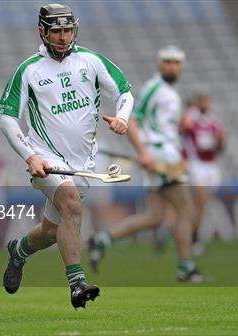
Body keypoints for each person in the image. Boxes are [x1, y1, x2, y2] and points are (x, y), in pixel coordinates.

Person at [0, 3, 133, 308]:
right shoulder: (29, 69)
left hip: (84, 163)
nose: (63, 37)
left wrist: (123, 116)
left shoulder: (91, 61)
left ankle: (18, 251)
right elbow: (7, 119)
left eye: (67, 30)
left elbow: (124, 91)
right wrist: (30, 156)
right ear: (42, 31)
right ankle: (77, 283)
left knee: (51, 231)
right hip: (46, 159)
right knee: (71, 204)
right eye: (56, 31)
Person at [88, 46, 204, 283]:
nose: (172, 66)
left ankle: (102, 239)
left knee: (155, 216)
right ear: (159, 64)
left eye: (176, 62)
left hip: (166, 154)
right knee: (186, 209)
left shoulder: (170, 92)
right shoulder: (154, 88)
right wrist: (143, 152)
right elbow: (131, 119)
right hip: (161, 157)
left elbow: (159, 125)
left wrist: (181, 127)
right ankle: (186, 267)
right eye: (167, 62)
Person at [180, 92, 225, 256]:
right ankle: (193, 239)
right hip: (195, 164)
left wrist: (221, 140)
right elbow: (182, 131)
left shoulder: (213, 120)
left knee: (201, 206)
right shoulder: (190, 117)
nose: (206, 104)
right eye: (203, 101)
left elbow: (220, 147)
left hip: (211, 165)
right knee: (199, 203)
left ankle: (191, 236)